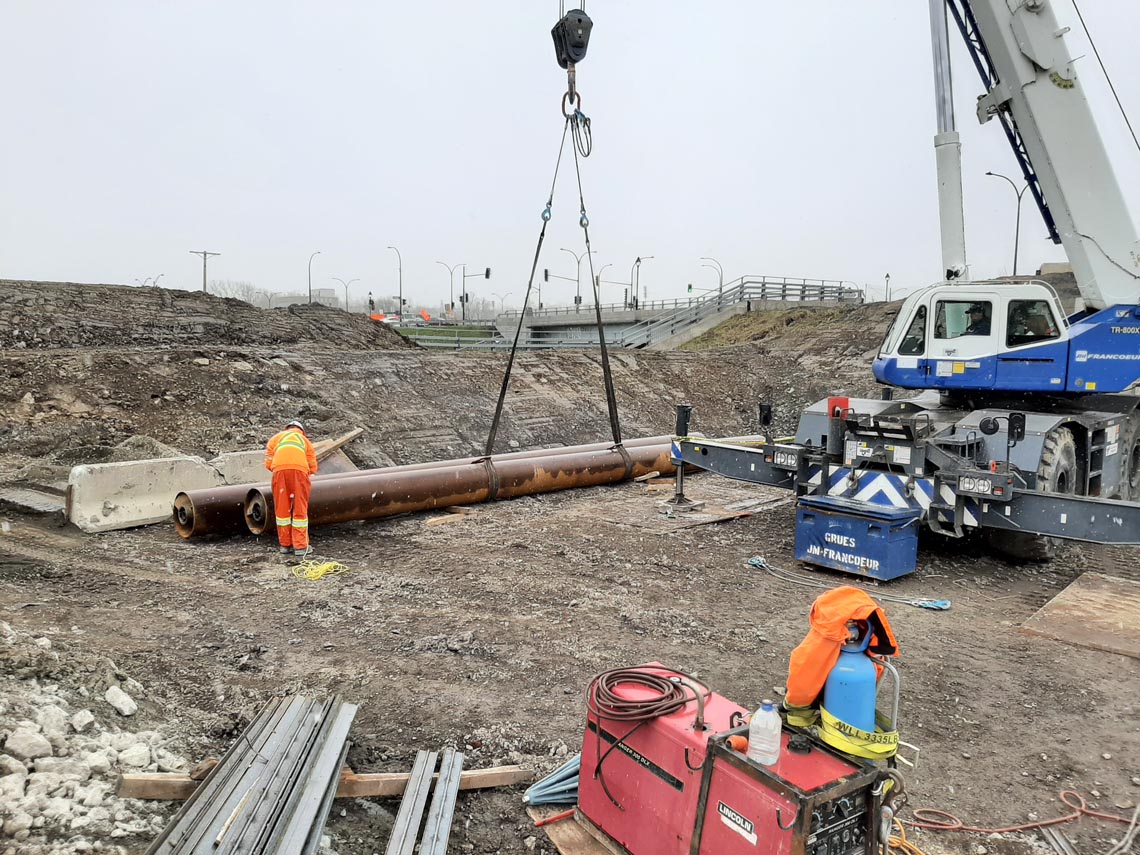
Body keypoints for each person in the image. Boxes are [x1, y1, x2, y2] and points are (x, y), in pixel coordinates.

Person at [264, 420, 318, 558]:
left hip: (279, 472)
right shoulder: (304, 440)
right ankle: (300, 547)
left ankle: (285, 545)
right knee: (299, 508)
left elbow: (268, 464)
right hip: (299, 472)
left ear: (286, 428)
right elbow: (313, 467)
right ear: (301, 430)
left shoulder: (275, 438)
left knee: (282, 510)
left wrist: (282, 468)